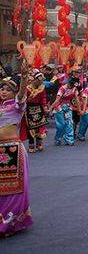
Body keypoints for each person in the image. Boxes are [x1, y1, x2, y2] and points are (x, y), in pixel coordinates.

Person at [0, 63, 32, 237]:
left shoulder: (17, 105)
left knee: (12, 188)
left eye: (7, 89)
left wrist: (24, 78)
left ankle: (10, 221)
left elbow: (22, 95)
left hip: (12, 149)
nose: (3, 91)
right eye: (1, 89)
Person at [49, 75, 79, 146]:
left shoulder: (74, 89)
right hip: (59, 106)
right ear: (68, 83)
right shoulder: (62, 88)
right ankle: (58, 137)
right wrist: (50, 108)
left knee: (70, 122)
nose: (71, 87)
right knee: (61, 124)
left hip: (68, 106)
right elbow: (57, 100)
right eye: (70, 85)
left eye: (72, 86)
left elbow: (77, 99)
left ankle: (69, 139)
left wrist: (79, 109)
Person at [23, 71, 48, 153]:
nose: (41, 82)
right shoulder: (27, 88)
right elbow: (23, 99)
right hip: (29, 109)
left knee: (40, 125)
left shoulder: (42, 87)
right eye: (39, 80)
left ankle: (39, 143)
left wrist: (44, 107)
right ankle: (31, 143)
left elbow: (43, 98)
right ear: (35, 80)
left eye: (42, 80)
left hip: (39, 108)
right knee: (30, 127)